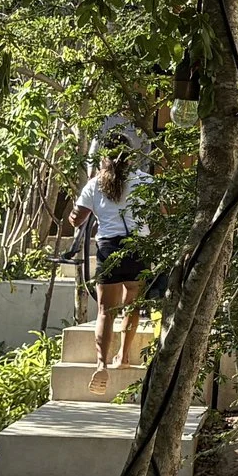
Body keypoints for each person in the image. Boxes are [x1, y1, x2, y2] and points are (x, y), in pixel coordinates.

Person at [71, 151, 150, 369]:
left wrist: (75, 215)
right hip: (138, 248)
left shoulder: (94, 184)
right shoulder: (145, 179)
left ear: (103, 160)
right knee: (132, 306)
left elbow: (77, 219)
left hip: (110, 249)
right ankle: (123, 357)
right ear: (131, 158)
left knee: (106, 311)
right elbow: (160, 215)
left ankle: (101, 364)